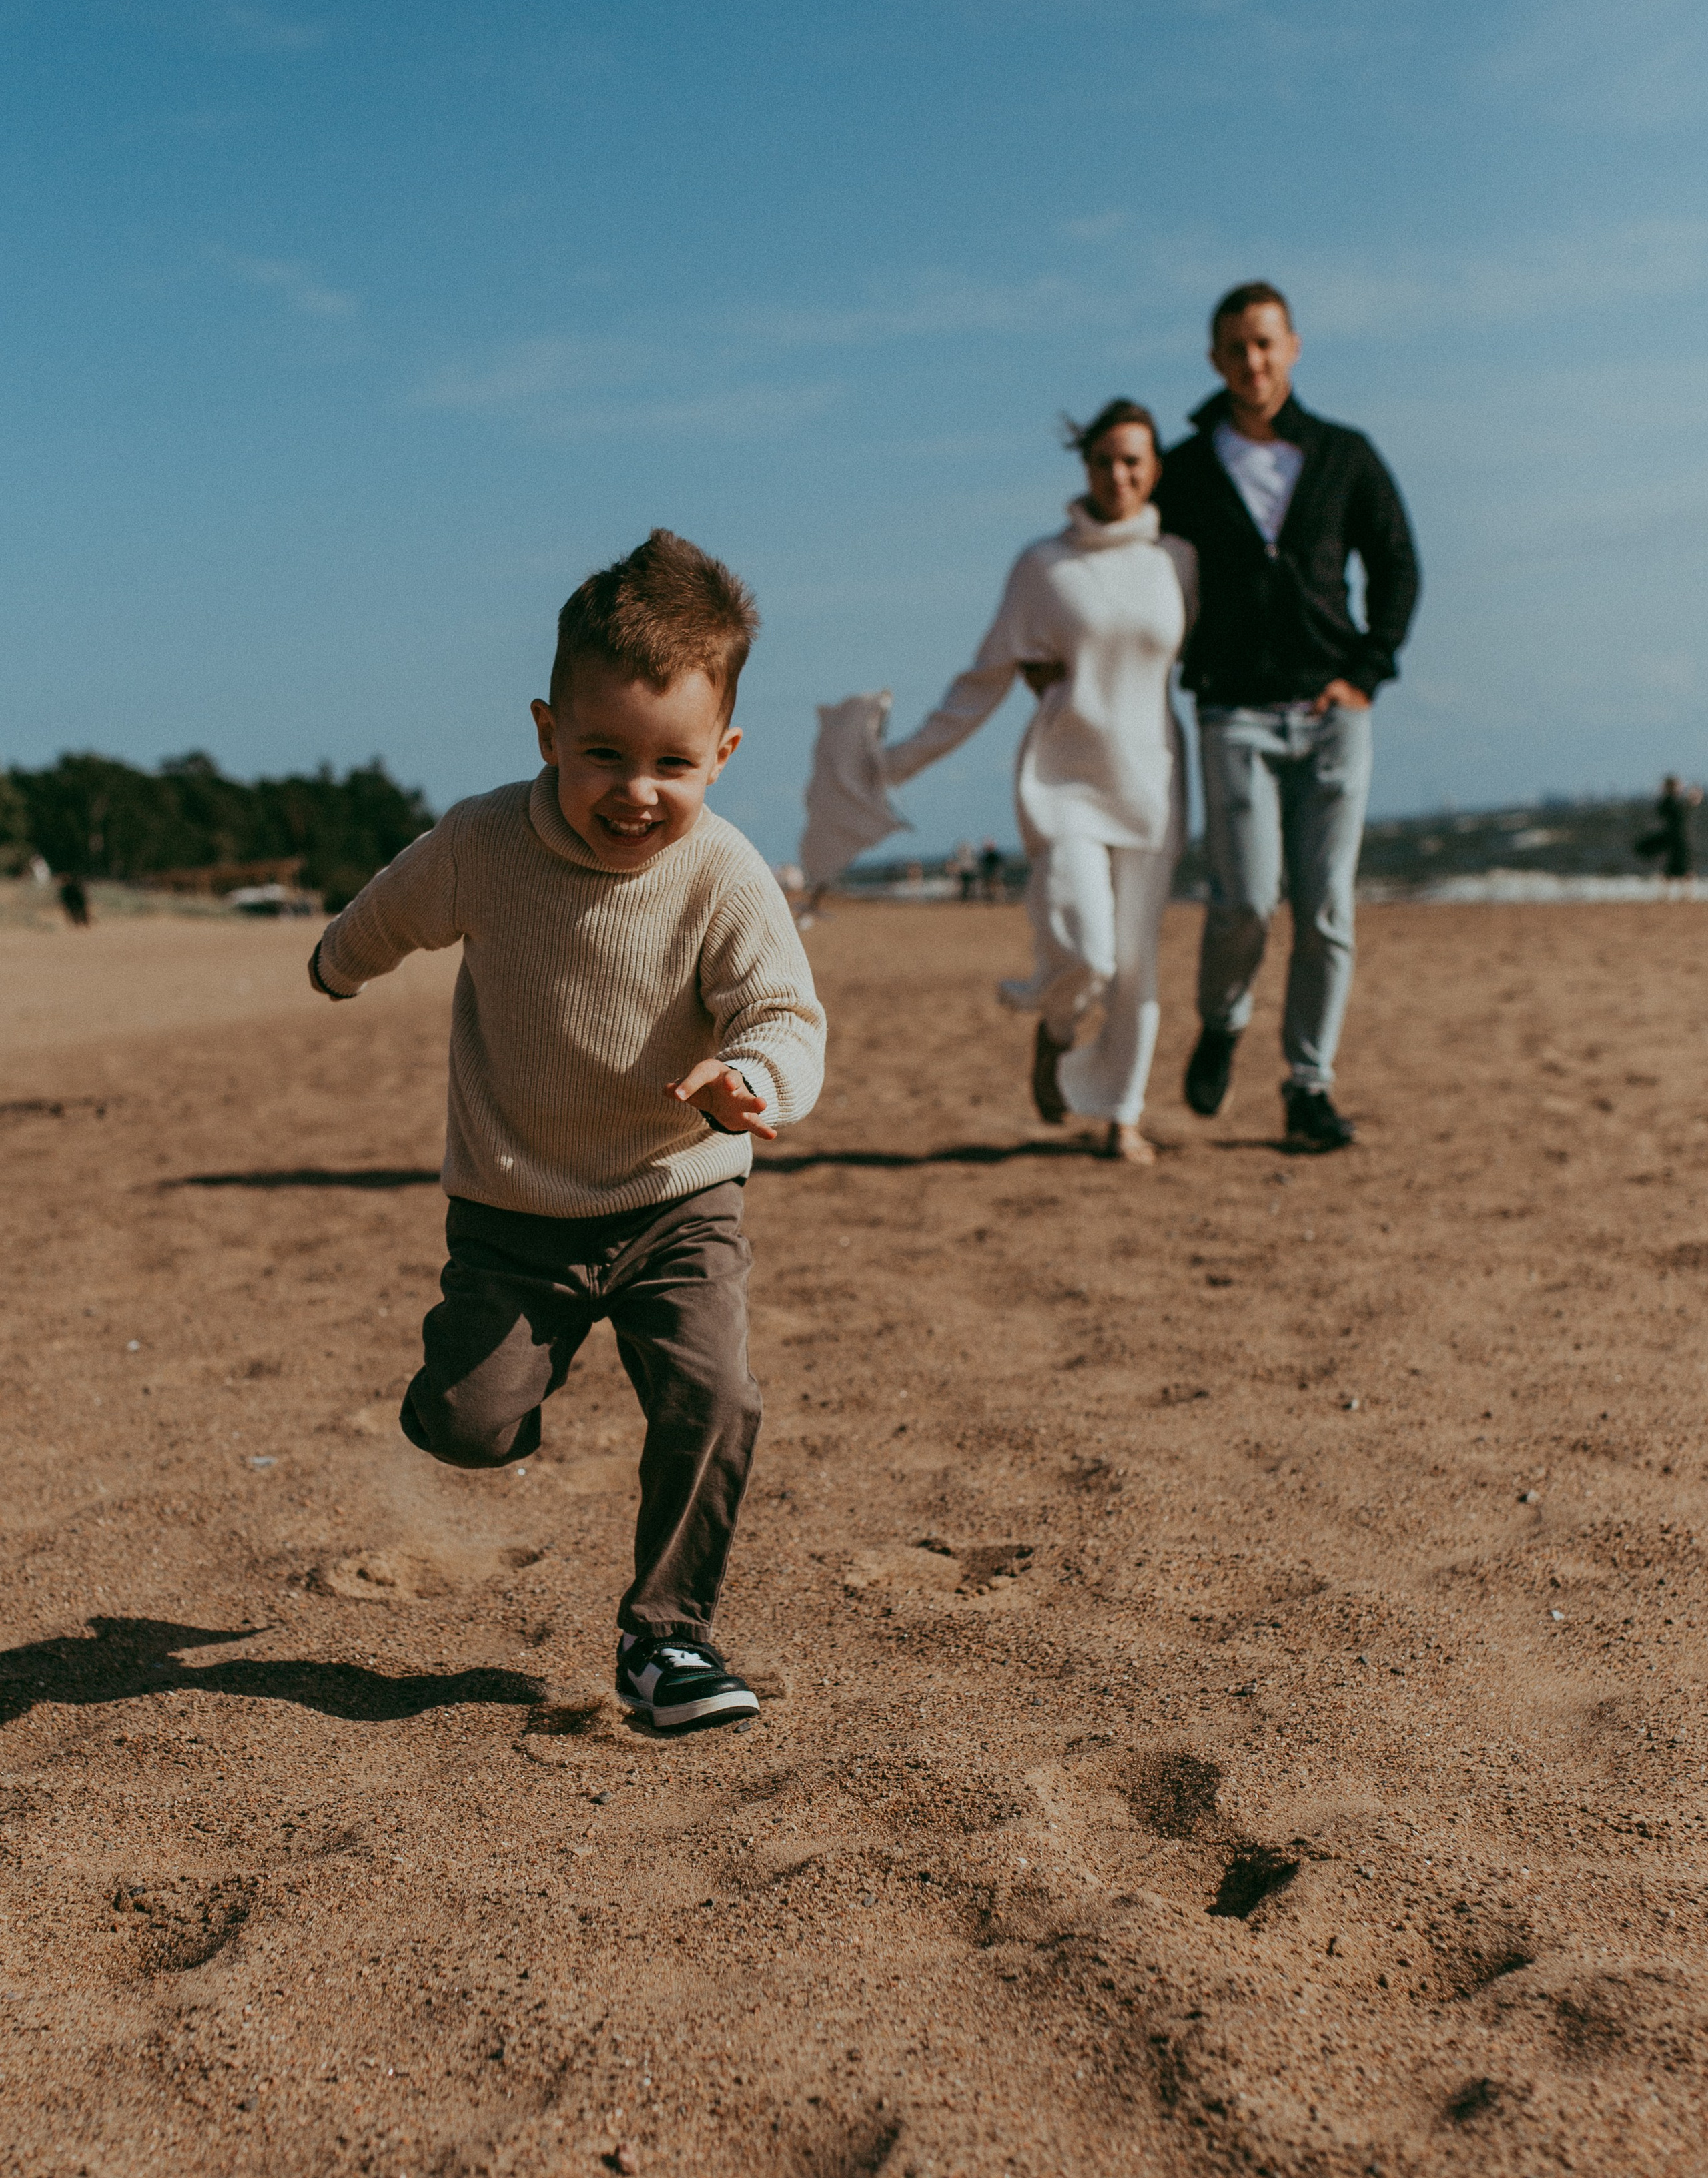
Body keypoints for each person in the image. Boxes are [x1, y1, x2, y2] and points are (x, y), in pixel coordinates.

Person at [307, 531, 825, 1734]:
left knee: (718, 1394)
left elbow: (784, 1010)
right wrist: (337, 961)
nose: (636, 792)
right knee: (472, 1426)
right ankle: (470, 1399)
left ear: (724, 755)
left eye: (672, 763)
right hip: (515, 1212)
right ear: (547, 731)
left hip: (676, 1196)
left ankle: (668, 1642)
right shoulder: (484, 842)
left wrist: (754, 1078)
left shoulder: (726, 874)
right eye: (604, 754)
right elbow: (395, 906)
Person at [881, 401, 1196, 1164]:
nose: (1117, 476)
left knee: (1137, 964)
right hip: (1064, 783)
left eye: (1133, 462)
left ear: (1154, 469)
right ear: (1083, 468)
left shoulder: (1179, 561)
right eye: (1102, 461)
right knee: (1090, 950)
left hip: (1152, 781)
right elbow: (982, 680)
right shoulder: (1042, 566)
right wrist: (893, 763)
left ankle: (1121, 1115)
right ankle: (1055, 1029)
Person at [1156, 282, 1420, 1152]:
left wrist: (1367, 675)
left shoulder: (1345, 454)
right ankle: (1223, 1021)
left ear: (1294, 347)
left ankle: (1309, 1086)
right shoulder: (1186, 468)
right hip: (1233, 711)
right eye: (1235, 347)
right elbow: (1136, 568)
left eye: (1266, 344)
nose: (1252, 362)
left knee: (1327, 909)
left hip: (1332, 713)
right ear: (1214, 360)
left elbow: (1397, 565)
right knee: (1244, 903)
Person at [1635, 775, 1700, 884]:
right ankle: (1677, 895)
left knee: (1681, 865)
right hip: (1677, 837)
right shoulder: (1668, 802)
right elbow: (1679, 815)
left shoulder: (1670, 801)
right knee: (1682, 865)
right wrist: (1691, 802)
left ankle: (1681, 895)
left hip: (1676, 836)